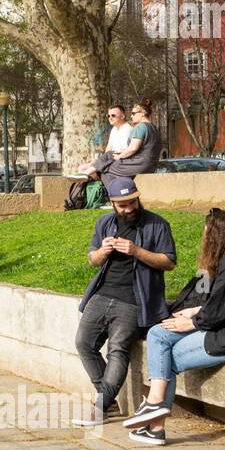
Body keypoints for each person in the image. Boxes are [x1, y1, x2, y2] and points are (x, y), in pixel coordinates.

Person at [124, 208, 225, 445]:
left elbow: (222, 309)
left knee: (165, 351)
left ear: (218, 235)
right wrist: (196, 311)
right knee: (160, 336)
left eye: (207, 232)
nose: (204, 238)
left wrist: (192, 322)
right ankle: (154, 416)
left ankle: (155, 416)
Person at [71, 176, 177, 426]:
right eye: (123, 205)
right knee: (84, 343)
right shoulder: (104, 223)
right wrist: (103, 251)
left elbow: (169, 262)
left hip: (134, 300)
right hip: (102, 294)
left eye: (132, 202)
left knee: (117, 350)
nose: (129, 209)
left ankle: (100, 407)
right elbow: (92, 259)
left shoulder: (157, 224)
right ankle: (108, 401)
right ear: (112, 203)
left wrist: (136, 251)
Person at [78, 100, 161, 187]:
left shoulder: (140, 127)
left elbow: (132, 148)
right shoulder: (154, 128)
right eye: (108, 115)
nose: (131, 116)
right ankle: (117, 195)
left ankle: (115, 197)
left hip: (139, 164)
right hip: (150, 165)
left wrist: (119, 157)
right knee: (107, 159)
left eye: (133, 113)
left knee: (105, 169)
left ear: (143, 113)